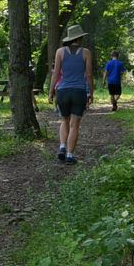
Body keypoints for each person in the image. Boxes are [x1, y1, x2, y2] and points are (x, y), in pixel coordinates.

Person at [48, 24, 93, 165]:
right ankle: (69, 155)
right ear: (80, 38)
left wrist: (51, 92)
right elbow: (89, 74)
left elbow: (55, 74)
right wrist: (91, 92)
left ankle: (62, 147)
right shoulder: (86, 52)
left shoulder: (60, 52)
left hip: (63, 91)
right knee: (74, 125)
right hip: (79, 91)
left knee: (64, 120)